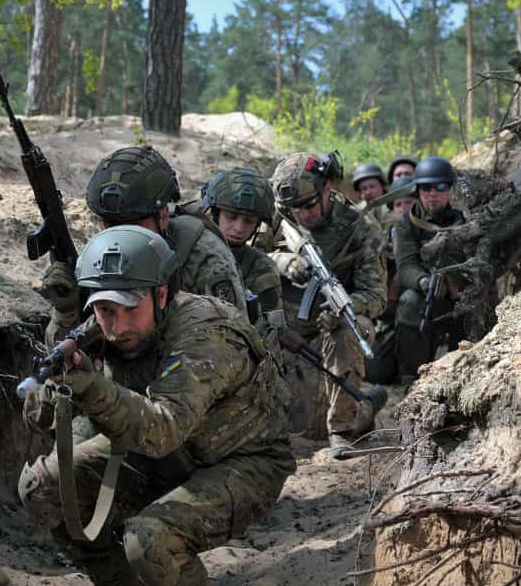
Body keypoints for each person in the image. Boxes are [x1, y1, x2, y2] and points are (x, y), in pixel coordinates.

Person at [19, 225, 294, 586]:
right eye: (107, 310)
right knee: (41, 487)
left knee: (150, 538)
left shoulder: (205, 332)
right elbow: (36, 416)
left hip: (242, 462)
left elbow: (164, 427)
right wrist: (62, 384)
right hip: (162, 454)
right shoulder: (95, 332)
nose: (120, 325)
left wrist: (92, 388)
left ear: (161, 294)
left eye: (132, 308)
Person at [40, 145, 246, 344]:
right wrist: (66, 312)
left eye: (134, 226)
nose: (122, 237)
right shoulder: (99, 256)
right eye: (112, 226)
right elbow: (62, 350)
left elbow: (235, 340)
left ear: (164, 216)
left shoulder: (203, 256)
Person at [269, 151, 386, 457]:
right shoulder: (279, 216)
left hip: (331, 326)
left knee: (351, 329)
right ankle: (366, 405)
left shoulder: (360, 228)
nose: (304, 215)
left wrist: (345, 307)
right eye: (296, 209)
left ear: (327, 190)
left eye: (309, 205)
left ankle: (343, 428)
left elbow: (377, 296)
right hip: (283, 323)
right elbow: (244, 258)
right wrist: (282, 261)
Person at [393, 156, 468, 386]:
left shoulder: (464, 218)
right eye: (426, 187)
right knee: (408, 302)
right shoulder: (407, 222)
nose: (432, 193)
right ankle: (411, 377)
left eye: (440, 187)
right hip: (427, 293)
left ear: (449, 189)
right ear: (417, 190)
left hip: (460, 293)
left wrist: (453, 284)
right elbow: (405, 267)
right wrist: (425, 282)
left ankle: (463, 374)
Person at [200, 168, 286, 343]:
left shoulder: (262, 267)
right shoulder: (193, 252)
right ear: (215, 213)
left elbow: (273, 332)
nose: (239, 228)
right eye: (231, 217)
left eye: (249, 221)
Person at [365, 174, 417, 384]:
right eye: (398, 204)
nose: (403, 208)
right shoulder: (384, 238)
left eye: (409, 202)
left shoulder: (428, 233)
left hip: (420, 312)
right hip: (390, 314)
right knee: (377, 373)